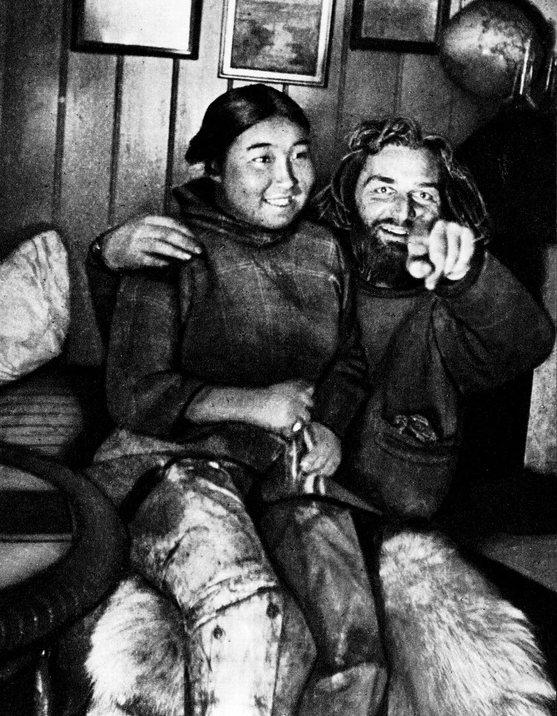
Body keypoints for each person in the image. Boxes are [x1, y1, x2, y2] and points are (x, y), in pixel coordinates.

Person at [89, 85, 388, 716]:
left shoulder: (324, 250)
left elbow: (349, 363)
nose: (287, 179)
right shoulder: (169, 247)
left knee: (354, 643)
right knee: (249, 612)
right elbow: (134, 393)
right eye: (261, 159)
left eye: (300, 155)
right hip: (171, 464)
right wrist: (253, 404)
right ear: (213, 169)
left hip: (285, 468)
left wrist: (330, 427)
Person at [92, 115, 554, 521]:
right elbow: (140, 356)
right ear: (349, 196)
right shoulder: (310, 258)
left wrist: (466, 273)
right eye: (383, 190)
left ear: (445, 209)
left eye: (424, 196)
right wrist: (106, 255)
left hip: (379, 516)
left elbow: (529, 344)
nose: (403, 212)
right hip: (257, 492)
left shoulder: (449, 303)